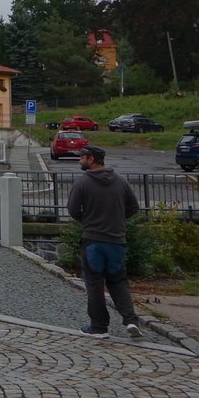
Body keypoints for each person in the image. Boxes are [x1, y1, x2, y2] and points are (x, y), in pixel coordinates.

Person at [66, 145, 144, 339]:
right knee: (118, 282)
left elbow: (73, 210)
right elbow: (133, 207)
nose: (79, 160)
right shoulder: (121, 182)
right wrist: (116, 221)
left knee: (94, 284)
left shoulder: (82, 183)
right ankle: (131, 321)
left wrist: (89, 222)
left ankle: (99, 327)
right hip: (117, 240)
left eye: (81, 157)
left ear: (91, 159)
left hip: (93, 241)